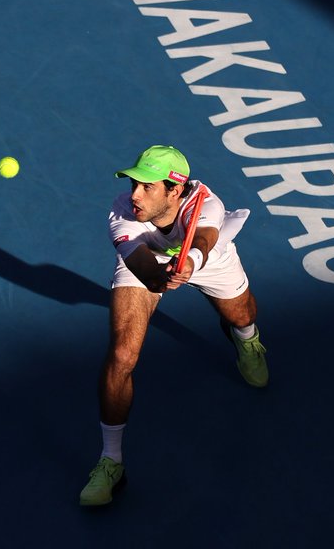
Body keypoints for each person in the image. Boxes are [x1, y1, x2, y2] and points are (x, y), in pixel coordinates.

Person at [79, 145, 268, 506]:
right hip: (149, 261)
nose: (134, 194)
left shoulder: (206, 204)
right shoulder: (122, 213)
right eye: (134, 183)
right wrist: (164, 276)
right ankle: (111, 462)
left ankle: (246, 339)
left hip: (205, 258)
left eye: (147, 186)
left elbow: (205, 239)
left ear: (175, 191)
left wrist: (191, 263)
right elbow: (148, 275)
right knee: (121, 355)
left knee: (242, 315)